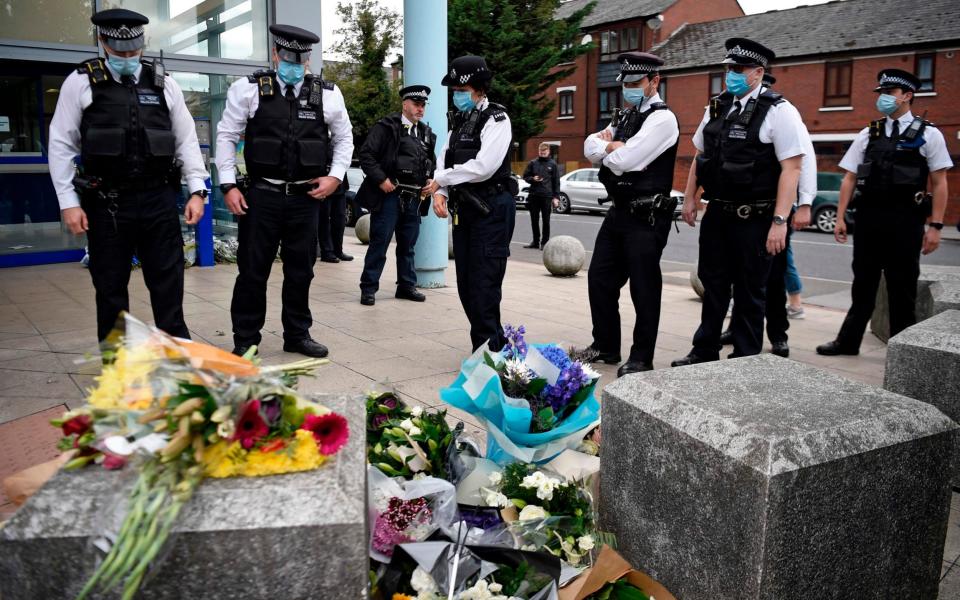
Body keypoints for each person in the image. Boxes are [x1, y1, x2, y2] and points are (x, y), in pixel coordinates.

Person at [48, 8, 208, 345]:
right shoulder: (81, 82)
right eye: (119, 52)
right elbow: (61, 144)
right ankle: (117, 367)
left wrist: (197, 190)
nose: (127, 57)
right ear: (103, 43)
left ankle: (177, 362)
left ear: (143, 44)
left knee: (168, 284)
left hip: (158, 200)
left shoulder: (165, 84)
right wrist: (68, 202)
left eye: (133, 50)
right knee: (110, 288)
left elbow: (186, 140)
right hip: (107, 202)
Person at [216, 24, 354, 358]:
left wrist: (335, 177)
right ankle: (246, 338)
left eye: (301, 59)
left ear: (308, 60)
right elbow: (226, 135)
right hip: (260, 196)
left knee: (301, 269)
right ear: (276, 54)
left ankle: (297, 334)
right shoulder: (248, 89)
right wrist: (228, 184)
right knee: (252, 269)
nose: (294, 64)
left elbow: (344, 138)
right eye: (288, 57)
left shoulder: (328, 94)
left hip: (306, 198)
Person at [672, 38, 807, 367]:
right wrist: (690, 197)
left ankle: (745, 358)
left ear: (758, 72)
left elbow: (792, 168)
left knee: (750, 291)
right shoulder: (717, 107)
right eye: (728, 68)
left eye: (738, 69)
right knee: (714, 285)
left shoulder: (780, 111)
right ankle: (704, 349)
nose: (730, 74)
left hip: (757, 217)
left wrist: (780, 221)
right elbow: (701, 156)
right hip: (718, 212)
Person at [817, 69, 952, 356]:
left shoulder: (929, 134)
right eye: (881, 93)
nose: (883, 98)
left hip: (905, 221)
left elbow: (939, 182)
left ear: (907, 96)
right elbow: (849, 177)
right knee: (863, 284)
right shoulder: (869, 133)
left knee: (901, 287)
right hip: (868, 219)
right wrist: (840, 217)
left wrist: (936, 226)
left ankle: (903, 350)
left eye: (890, 93)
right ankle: (847, 342)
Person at [581, 52, 679, 376]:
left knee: (643, 288)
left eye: (636, 83)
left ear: (654, 81)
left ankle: (641, 356)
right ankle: (606, 345)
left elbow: (628, 161)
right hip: (619, 212)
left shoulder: (663, 119)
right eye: (626, 83)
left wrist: (609, 149)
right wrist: (611, 147)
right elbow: (588, 146)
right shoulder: (624, 116)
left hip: (647, 217)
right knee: (600, 280)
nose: (629, 89)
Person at [718, 70, 814, 358]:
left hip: (776, 211)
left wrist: (806, 203)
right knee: (742, 277)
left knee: (773, 278)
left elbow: (803, 162)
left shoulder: (782, 115)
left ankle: (778, 335)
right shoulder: (740, 115)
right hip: (748, 209)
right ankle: (738, 328)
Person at [423, 55, 517, 351]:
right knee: (466, 284)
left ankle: (488, 352)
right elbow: (444, 159)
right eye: (454, 91)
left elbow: (483, 166)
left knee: (485, 284)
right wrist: (442, 192)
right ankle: (492, 346)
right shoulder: (460, 122)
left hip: (492, 209)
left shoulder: (497, 119)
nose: (457, 96)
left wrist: (443, 181)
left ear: (479, 89)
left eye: (462, 91)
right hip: (466, 211)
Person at [357, 84, 437, 306]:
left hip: (413, 198)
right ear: (404, 104)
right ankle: (368, 288)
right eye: (416, 104)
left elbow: (430, 164)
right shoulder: (387, 127)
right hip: (389, 195)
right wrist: (381, 180)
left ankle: (406, 286)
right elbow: (366, 154)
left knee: (408, 246)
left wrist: (430, 180)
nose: (420, 109)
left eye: (423, 105)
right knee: (379, 243)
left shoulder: (426, 133)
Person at [522, 143, 560, 249]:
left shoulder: (553, 164)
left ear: (548, 152)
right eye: (540, 152)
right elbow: (525, 176)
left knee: (546, 220)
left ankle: (545, 243)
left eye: (544, 152)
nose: (542, 154)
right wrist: (532, 179)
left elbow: (556, 182)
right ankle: (535, 241)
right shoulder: (533, 163)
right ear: (538, 151)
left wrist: (556, 197)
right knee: (534, 220)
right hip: (534, 195)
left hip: (547, 196)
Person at [318, 172, 352, 263]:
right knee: (324, 221)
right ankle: (327, 252)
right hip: (325, 184)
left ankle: (338, 251)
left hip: (340, 186)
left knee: (340, 221)